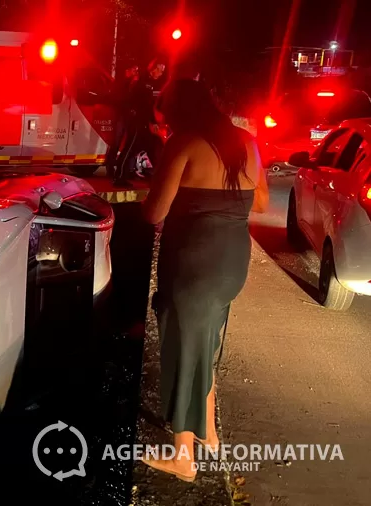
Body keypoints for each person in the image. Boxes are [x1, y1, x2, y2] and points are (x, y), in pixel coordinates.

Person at [140, 79, 269, 481]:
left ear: (177, 112)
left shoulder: (184, 143)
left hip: (194, 262)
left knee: (183, 349)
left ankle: (183, 458)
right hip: (232, 261)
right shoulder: (246, 141)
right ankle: (208, 435)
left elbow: (153, 213)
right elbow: (261, 201)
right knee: (206, 344)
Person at [114, 59, 166, 187]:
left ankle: (150, 173)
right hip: (136, 120)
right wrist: (152, 121)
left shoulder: (148, 82)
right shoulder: (142, 81)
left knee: (146, 146)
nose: (161, 73)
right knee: (129, 148)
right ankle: (119, 177)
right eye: (160, 70)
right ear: (153, 68)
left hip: (140, 121)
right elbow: (143, 104)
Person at [104, 64, 140, 179]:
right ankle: (110, 168)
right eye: (133, 69)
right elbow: (117, 98)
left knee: (130, 143)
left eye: (136, 70)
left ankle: (128, 168)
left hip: (129, 116)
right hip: (120, 115)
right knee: (116, 142)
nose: (135, 72)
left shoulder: (134, 82)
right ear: (127, 70)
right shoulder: (120, 83)